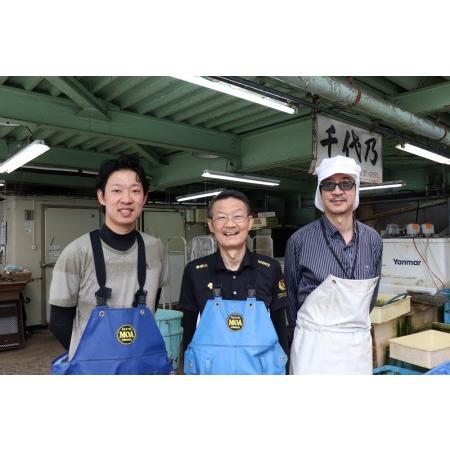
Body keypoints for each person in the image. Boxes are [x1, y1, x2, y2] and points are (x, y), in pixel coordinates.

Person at [49, 155, 172, 375]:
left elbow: (152, 306)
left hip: (143, 366)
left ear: (144, 198)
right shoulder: (77, 252)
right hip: (93, 368)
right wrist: (92, 356)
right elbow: (59, 322)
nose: (127, 199)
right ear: (101, 197)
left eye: (135, 190)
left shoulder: (156, 249)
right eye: (117, 190)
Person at [285, 155, 383, 374]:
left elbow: (370, 300)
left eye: (346, 183)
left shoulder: (373, 240)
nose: (337, 191)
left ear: (355, 189)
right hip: (312, 349)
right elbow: (291, 302)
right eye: (329, 184)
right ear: (320, 193)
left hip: (356, 350)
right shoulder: (299, 241)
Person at [180, 190, 289, 375]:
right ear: (211, 225)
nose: (230, 224)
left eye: (237, 216)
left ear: (250, 222)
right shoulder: (194, 271)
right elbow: (188, 331)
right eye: (221, 218)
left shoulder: (270, 269)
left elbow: (280, 329)